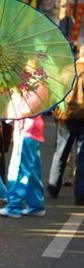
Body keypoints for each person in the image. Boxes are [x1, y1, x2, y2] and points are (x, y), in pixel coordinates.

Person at [48, 45, 84, 205]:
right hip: (83, 117)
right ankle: (80, 195)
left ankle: (53, 187)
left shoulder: (67, 69)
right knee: (82, 157)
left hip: (65, 116)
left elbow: (56, 91)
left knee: (61, 153)